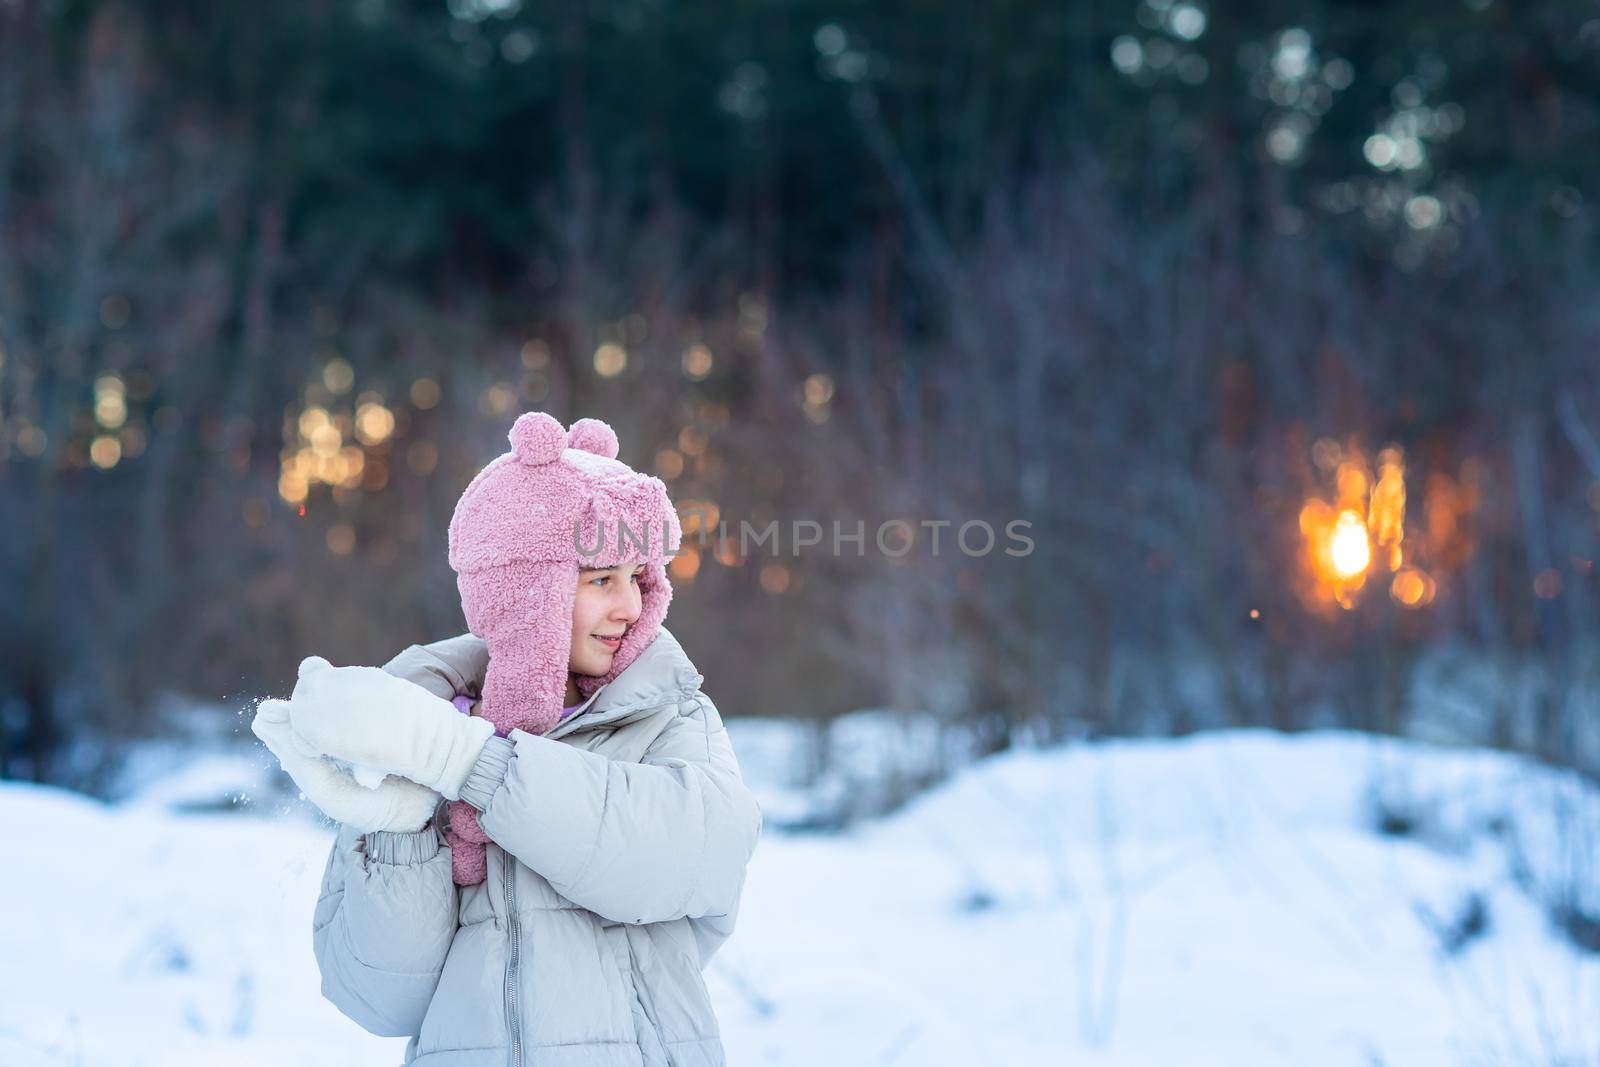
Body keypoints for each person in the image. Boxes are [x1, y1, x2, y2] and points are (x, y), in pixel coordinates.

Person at [252, 412, 762, 1066]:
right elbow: (380, 999)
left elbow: (697, 859)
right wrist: (403, 826)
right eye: (601, 578)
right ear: (527, 591)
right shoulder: (423, 722)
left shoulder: (670, 715)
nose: (630, 606)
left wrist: (475, 763)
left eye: (638, 577)